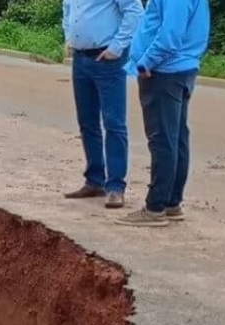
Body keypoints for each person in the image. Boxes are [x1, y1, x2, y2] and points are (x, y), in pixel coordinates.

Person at [116, 0, 211, 227]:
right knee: (176, 137)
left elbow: (171, 34)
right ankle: (171, 202)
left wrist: (145, 63)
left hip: (163, 72)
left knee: (163, 140)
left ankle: (155, 207)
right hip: (179, 68)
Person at [62, 0, 143, 209]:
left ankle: (115, 186)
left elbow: (134, 12)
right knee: (87, 121)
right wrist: (69, 36)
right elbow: (67, 9)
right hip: (81, 59)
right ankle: (94, 180)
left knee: (113, 123)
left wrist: (117, 46)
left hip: (108, 59)